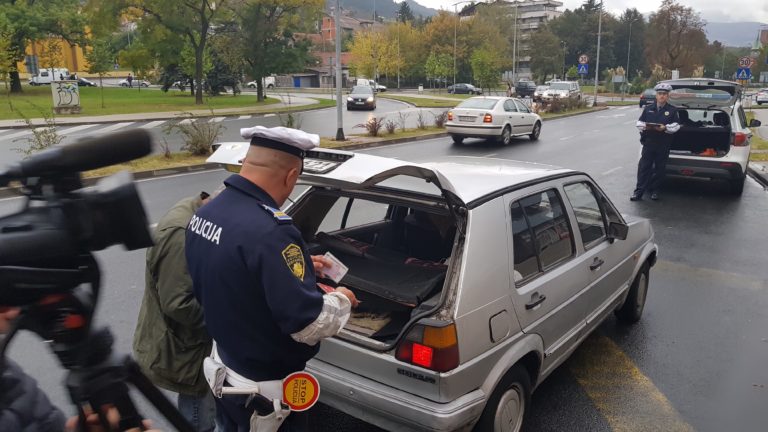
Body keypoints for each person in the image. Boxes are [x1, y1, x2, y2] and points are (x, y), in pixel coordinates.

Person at [185, 126, 359, 432]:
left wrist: (294, 266)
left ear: (246, 163)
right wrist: (342, 299)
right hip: (265, 399)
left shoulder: (207, 213)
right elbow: (308, 323)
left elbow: (232, 270)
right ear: (291, 176)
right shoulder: (272, 232)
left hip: (225, 372)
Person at [133, 190, 222, 432]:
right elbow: (178, 304)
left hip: (193, 344)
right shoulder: (181, 233)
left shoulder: (198, 212)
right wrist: (227, 321)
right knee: (199, 419)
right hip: (186, 347)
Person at [631, 82, 681, 201]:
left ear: (667, 96)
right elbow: (639, 123)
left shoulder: (672, 110)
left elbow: (676, 126)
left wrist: (665, 128)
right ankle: (638, 192)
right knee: (644, 168)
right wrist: (646, 126)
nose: (662, 96)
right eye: (659, 93)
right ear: (656, 95)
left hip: (663, 144)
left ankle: (655, 191)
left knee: (660, 169)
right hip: (649, 143)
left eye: (664, 94)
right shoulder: (648, 108)